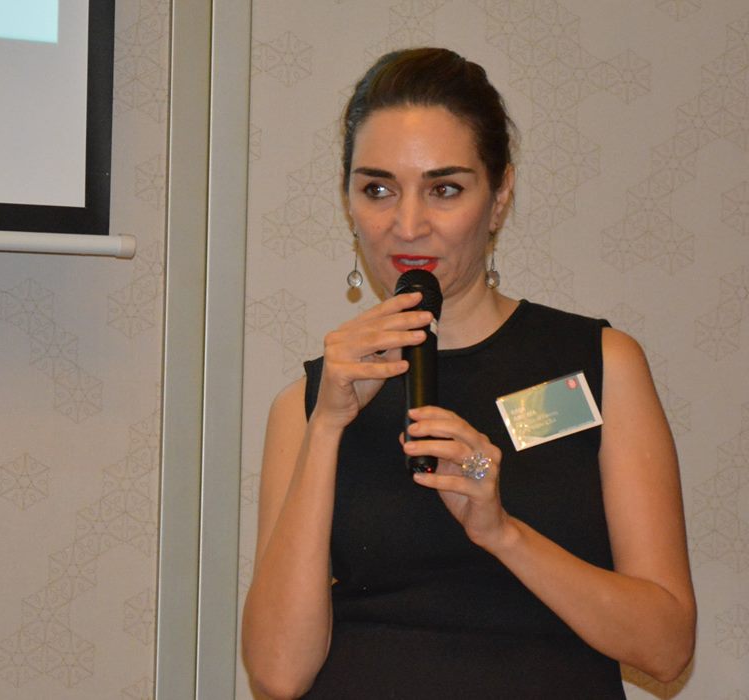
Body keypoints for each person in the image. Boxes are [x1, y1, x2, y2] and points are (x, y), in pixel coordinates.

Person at [241, 48, 696, 699]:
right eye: (378, 189)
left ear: (500, 195)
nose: (408, 226)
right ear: (348, 202)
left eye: (444, 189)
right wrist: (328, 426)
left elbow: (667, 649)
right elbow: (277, 674)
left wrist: (501, 532)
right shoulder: (309, 403)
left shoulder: (600, 364)